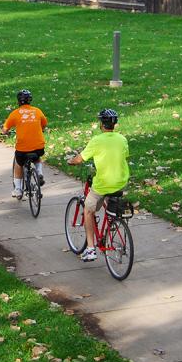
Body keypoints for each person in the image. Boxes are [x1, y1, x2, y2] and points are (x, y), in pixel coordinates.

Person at [68, 109, 130, 262]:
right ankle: (112, 224)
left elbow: (79, 159)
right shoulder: (122, 139)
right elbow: (123, 155)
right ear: (114, 124)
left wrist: (71, 161)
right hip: (121, 182)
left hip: (103, 185)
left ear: (102, 124)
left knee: (89, 211)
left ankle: (90, 249)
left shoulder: (96, 141)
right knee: (111, 204)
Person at [1, 89, 48, 199]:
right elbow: (44, 124)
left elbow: (5, 129)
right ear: (30, 100)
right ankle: (39, 173)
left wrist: (4, 131)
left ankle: (18, 189)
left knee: (19, 164)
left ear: (18, 101)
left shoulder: (15, 114)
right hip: (38, 146)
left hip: (22, 148)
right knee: (37, 157)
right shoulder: (37, 111)